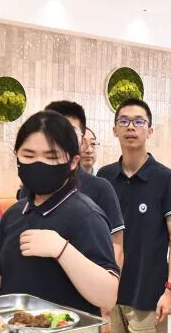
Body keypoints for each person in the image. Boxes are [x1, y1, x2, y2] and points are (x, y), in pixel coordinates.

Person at [0, 111, 120, 317]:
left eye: (51, 156)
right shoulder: (15, 213)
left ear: (73, 162)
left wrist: (61, 250)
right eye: (29, 155)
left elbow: (108, 296)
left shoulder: (86, 215)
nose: (39, 163)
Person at [98, 99, 171, 333]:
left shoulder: (165, 178)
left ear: (150, 130)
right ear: (114, 130)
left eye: (138, 121)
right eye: (123, 121)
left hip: (148, 297)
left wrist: (170, 290)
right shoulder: (104, 177)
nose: (131, 127)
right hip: (110, 295)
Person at [45, 100, 126, 266]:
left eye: (71, 134)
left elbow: (116, 245)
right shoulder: (31, 189)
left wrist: (109, 284)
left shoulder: (101, 188)